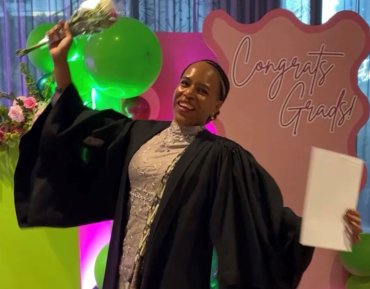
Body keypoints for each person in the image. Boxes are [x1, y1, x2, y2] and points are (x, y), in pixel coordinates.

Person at [14, 21, 362, 289]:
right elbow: (77, 123)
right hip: (120, 272)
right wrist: (61, 62)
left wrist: (330, 223)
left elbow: (266, 221)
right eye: (185, 83)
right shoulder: (138, 134)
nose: (188, 93)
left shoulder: (224, 158)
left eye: (202, 90)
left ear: (217, 106)